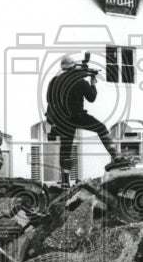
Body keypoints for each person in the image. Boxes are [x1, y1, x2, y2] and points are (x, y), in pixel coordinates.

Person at [45, 53, 120, 188]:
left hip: (61, 119)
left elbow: (49, 100)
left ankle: (65, 181)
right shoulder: (79, 81)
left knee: (66, 148)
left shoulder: (54, 81)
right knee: (101, 128)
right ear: (73, 68)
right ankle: (116, 157)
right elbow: (91, 98)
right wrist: (93, 83)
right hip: (77, 116)